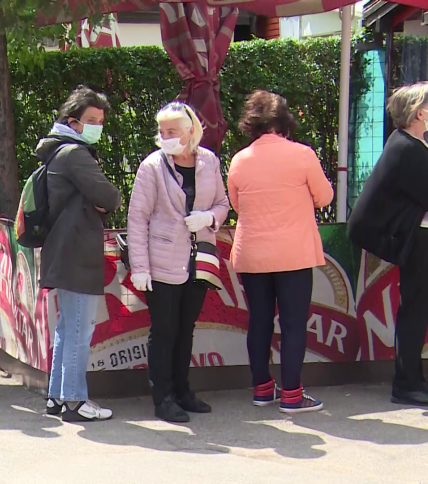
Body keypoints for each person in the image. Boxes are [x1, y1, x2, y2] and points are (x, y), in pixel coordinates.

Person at [228, 90, 333, 414]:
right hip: (293, 254)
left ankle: (262, 389)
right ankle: (292, 395)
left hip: (253, 254)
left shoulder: (240, 159)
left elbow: (236, 204)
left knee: (259, 321)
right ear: (284, 121)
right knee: (292, 325)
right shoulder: (302, 155)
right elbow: (325, 196)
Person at [127, 102, 229, 423]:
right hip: (162, 262)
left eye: (172, 131)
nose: (165, 136)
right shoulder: (152, 167)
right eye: (162, 131)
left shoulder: (209, 161)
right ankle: (164, 397)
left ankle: (183, 391)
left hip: (199, 259)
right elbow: (138, 218)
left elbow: (223, 203)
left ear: (190, 131)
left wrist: (209, 217)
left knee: (186, 329)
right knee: (165, 329)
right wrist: (140, 267)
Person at [37, 86, 122, 422]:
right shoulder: (76, 154)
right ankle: (74, 400)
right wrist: (103, 201)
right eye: (90, 120)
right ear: (72, 121)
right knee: (78, 330)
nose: (96, 126)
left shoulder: (59, 151)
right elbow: (110, 195)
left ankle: (58, 397)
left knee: (67, 327)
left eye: (100, 120)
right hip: (76, 250)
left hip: (63, 248)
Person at [348, 82, 428, 407]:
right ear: (420, 113)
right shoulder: (409, 150)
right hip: (418, 240)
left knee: (416, 309)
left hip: (417, 239)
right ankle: (407, 383)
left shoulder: (407, 144)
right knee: (415, 310)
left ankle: (412, 380)